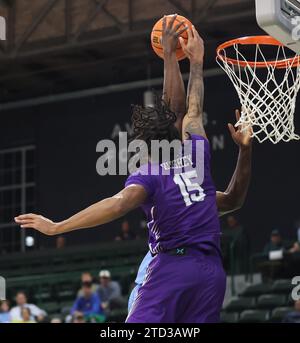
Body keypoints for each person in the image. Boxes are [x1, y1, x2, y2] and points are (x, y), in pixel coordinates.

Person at [14, 18, 253, 323]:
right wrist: (194, 62)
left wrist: (58, 226)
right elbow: (188, 111)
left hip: (171, 267)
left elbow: (117, 204)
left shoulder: (149, 175)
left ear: (146, 145)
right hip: (211, 272)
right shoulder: (198, 154)